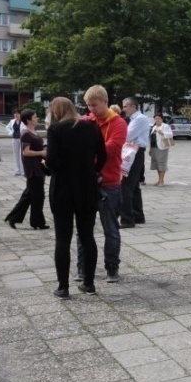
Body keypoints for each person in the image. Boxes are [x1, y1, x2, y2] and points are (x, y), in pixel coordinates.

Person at [45, 97, 107, 299]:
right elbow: (103, 155)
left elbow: (52, 162)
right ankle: (89, 284)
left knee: (63, 238)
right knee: (87, 235)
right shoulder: (91, 127)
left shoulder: (55, 130)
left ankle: (63, 287)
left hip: (62, 188)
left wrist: (44, 164)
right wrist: (93, 170)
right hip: (87, 187)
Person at [77, 85, 127, 284]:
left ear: (105, 102)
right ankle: (82, 268)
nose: (91, 110)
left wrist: (86, 149)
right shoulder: (87, 121)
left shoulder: (118, 123)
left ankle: (112, 267)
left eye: (94, 105)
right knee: (83, 229)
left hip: (109, 182)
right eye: (88, 106)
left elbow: (111, 149)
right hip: (88, 182)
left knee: (111, 229)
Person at [4, 108, 49, 230]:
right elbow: (26, 152)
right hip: (33, 169)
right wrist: (41, 152)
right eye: (34, 117)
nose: (37, 118)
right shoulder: (25, 133)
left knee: (29, 195)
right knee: (37, 196)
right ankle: (37, 222)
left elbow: (37, 145)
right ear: (28, 120)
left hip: (38, 166)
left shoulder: (33, 131)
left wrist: (44, 147)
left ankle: (14, 218)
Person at [119, 97, 151, 228]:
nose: (124, 109)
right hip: (134, 152)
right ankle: (137, 215)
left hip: (134, 152)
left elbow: (126, 136)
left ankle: (127, 219)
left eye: (126, 106)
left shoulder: (139, 119)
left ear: (133, 107)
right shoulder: (134, 119)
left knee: (125, 186)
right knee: (134, 186)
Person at [149, 114, 174, 186]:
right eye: (156, 118)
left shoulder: (165, 126)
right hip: (154, 148)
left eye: (158, 118)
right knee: (157, 164)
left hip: (162, 147)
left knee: (161, 164)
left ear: (162, 119)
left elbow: (170, 135)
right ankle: (159, 179)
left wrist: (162, 132)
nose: (157, 120)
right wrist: (150, 149)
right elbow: (151, 138)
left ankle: (161, 181)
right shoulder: (154, 127)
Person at [5, 108, 24, 176]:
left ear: (20, 114)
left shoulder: (23, 121)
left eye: (17, 113)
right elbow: (7, 127)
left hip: (22, 139)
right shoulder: (12, 121)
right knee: (16, 155)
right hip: (15, 139)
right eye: (15, 113)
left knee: (21, 155)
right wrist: (11, 132)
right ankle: (17, 170)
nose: (16, 115)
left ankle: (23, 171)